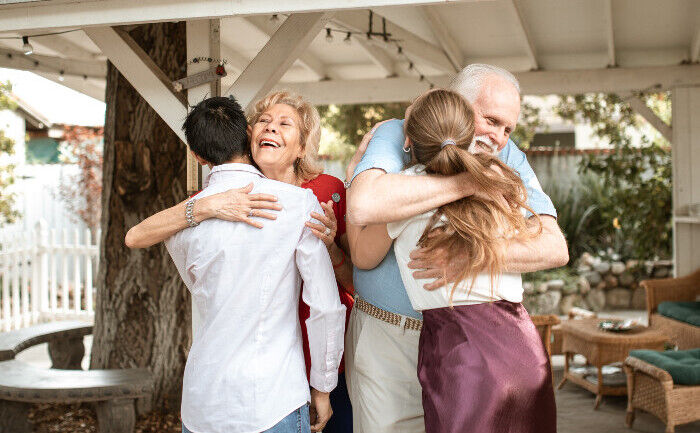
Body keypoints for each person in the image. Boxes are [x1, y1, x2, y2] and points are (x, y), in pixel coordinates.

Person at [343, 64, 568, 433]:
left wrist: (471, 256)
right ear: (456, 103)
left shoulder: (506, 157)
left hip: (464, 350)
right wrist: (470, 181)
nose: (499, 138)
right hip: (393, 338)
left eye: (508, 128)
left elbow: (554, 246)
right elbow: (364, 206)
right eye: (491, 120)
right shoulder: (397, 133)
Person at [125, 92, 355, 433]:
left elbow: (201, 287)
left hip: (204, 399)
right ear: (248, 135)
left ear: (196, 155)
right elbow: (325, 307)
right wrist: (322, 389)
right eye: (265, 121)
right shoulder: (298, 205)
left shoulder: (181, 222)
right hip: (273, 396)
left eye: (283, 123)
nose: (271, 128)